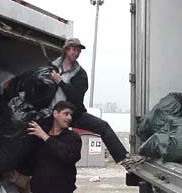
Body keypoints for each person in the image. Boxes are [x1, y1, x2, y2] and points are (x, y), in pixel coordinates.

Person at [48, 38, 145, 171]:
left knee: (103, 126)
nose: (76, 53)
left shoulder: (81, 75)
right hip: (51, 114)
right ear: (66, 50)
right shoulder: (51, 67)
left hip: (74, 114)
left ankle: (124, 159)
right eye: (73, 49)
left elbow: (76, 98)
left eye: (78, 50)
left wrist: (60, 82)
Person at [27, 100, 81, 193]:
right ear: (55, 114)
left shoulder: (73, 137)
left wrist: (45, 137)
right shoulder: (37, 136)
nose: (69, 117)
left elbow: (69, 156)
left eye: (71, 115)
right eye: (66, 113)